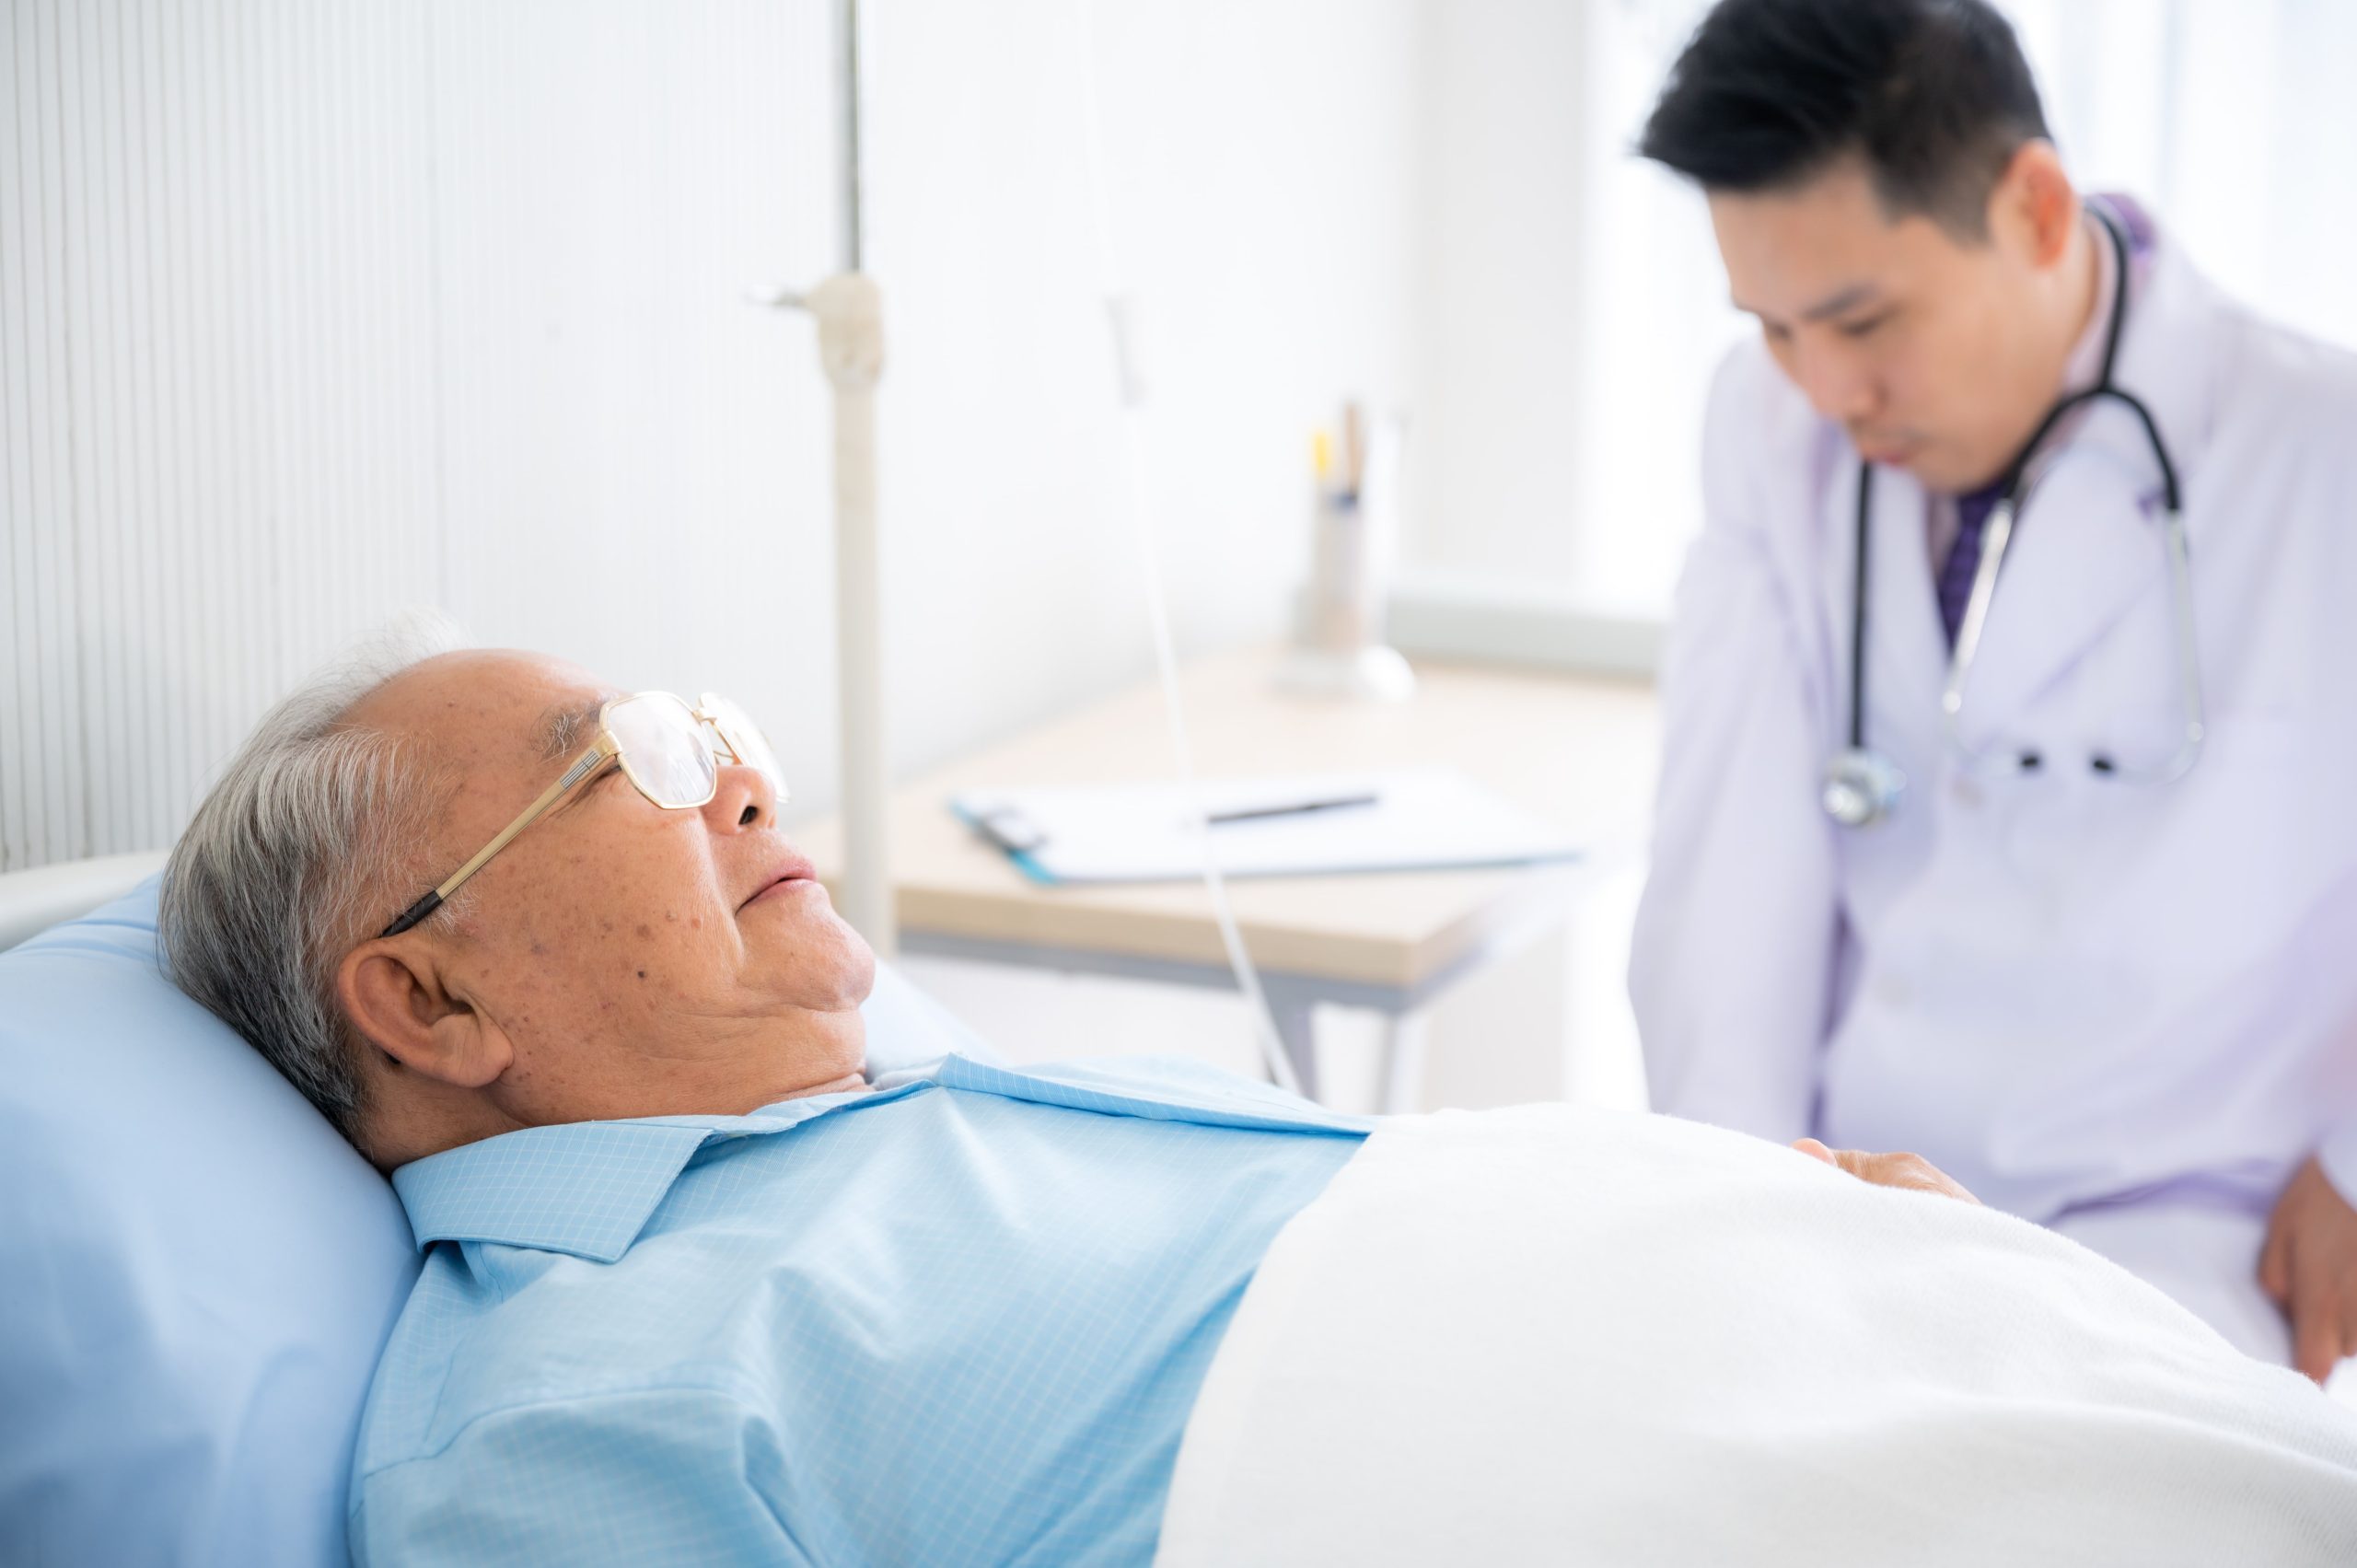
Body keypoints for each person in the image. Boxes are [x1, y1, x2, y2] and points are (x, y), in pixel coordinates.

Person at [161, 633, 2357, 1562]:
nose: (738, 781)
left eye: (711, 727)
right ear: (427, 997)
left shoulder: (922, 1096)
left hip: (1845, 1315)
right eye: (629, 763)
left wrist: (1743, 1210)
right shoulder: (551, 1414)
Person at [1628, 0, 2357, 1385]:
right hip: (1851, 1204)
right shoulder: (1768, 431)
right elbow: (1726, 896)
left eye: (1862, 320)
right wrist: (1725, 1228)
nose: (1827, 390)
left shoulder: (2323, 452)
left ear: (2033, 209)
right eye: (1774, 329)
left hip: (2179, 1245)